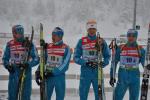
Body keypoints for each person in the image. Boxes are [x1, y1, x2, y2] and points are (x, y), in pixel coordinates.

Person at [73, 19, 110, 100]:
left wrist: (103, 63)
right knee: (83, 94)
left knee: (100, 95)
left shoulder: (101, 41)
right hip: (86, 71)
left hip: (97, 71)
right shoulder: (82, 41)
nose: (92, 31)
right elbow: (75, 57)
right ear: (87, 29)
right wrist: (86, 63)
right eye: (90, 29)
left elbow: (107, 56)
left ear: (96, 29)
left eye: (93, 29)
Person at [2, 25, 39, 100]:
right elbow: (4, 58)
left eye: (15, 33)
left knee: (25, 96)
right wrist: (7, 65)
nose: (14, 35)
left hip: (25, 72)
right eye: (13, 33)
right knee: (12, 96)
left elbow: (37, 58)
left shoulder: (29, 44)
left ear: (21, 33)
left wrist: (28, 64)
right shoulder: (10, 44)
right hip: (14, 73)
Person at [35, 27, 72, 100]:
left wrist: (54, 72)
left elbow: (65, 65)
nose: (53, 37)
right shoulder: (48, 46)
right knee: (46, 97)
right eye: (52, 35)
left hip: (59, 77)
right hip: (48, 77)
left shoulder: (66, 48)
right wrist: (38, 71)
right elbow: (43, 60)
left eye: (55, 35)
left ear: (60, 36)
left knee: (60, 97)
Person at [109, 29, 145, 100]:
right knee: (117, 97)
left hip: (135, 76)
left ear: (136, 37)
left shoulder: (140, 49)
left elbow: (145, 65)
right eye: (129, 36)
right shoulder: (121, 48)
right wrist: (112, 76)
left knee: (134, 97)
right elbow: (114, 63)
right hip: (123, 76)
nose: (131, 38)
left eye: (133, 36)